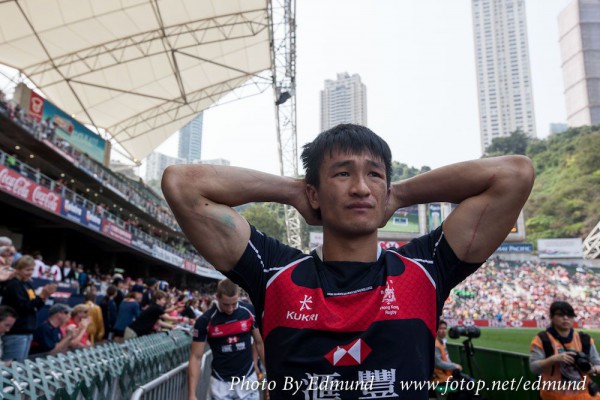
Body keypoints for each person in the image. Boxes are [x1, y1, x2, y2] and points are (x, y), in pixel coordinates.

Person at [162, 123, 534, 399]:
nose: (360, 188)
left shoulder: (425, 269)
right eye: (342, 173)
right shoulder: (273, 272)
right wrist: (294, 192)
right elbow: (182, 184)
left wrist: (399, 195)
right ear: (315, 193)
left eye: (374, 175)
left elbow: (514, 174)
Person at [188, 279, 265, 400]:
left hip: (248, 380)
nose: (230, 309)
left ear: (238, 296)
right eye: (226, 304)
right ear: (217, 297)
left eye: (234, 303)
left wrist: (270, 374)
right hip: (220, 384)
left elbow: (260, 343)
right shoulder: (205, 321)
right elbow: (196, 357)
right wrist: (192, 394)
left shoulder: (249, 312)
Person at [529, 301, 600, 399]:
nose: (566, 318)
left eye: (570, 315)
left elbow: (598, 364)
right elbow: (534, 368)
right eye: (560, 315)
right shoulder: (542, 339)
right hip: (554, 396)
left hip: (583, 395)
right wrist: (554, 359)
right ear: (551, 317)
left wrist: (593, 369)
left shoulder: (584, 339)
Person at [1, 255, 57, 362]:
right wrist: (41, 296)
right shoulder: (14, 284)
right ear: (18, 269)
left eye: (32, 270)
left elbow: (34, 307)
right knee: (14, 365)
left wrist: (44, 297)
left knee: (21, 364)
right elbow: (23, 306)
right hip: (16, 331)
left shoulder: (27, 284)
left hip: (27, 331)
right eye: (27, 270)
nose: (30, 273)